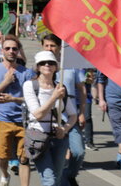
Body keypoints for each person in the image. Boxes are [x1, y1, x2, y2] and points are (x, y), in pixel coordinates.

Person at [24, 51, 77, 186]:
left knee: (57, 179)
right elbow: (38, 114)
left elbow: (73, 115)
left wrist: (64, 129)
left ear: (56, 67)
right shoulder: (30, 85)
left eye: (51, 63)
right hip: (38, 138)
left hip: (58, 138)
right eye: (43, 63)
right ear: (37, 67)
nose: (47, 65)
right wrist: (54, 97)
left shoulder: (60, 87)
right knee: (49, 180)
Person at [0, 35, 33, 186]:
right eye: (7, 48)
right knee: (2, 157)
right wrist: (5, 82)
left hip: (23, 121)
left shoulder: (26, 72)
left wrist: (14, 99)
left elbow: (32, 99)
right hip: (3, 120)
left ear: (18, 51)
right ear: (2, 51)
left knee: (24, 158)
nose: (11, 51)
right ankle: (5, 174)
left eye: (14, 48)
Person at [39, 34, 85, 186]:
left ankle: (69, 174)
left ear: (59, 47)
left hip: (70, 116)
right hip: (49, 119)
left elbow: (81, 89)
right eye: (46, 45)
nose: (50, 48)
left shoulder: (71, 63)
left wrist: (82, 112)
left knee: (78, 152)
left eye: (52, 45)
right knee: (53, 161)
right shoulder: (41, 65)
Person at [98, 71, 121, 173]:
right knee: (120, 130)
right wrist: (101, 100)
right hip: (114, 101)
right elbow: (100, 81)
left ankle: (120, 156)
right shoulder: (109, 60)